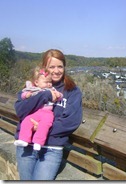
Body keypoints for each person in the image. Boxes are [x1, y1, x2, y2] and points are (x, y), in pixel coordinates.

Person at [14, 49, 83, 180]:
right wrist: (44, 95)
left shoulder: (72, 91)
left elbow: (71, 121)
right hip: (26, 146)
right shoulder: (33, 87)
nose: (56, 71)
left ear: (64, 67)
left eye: (60, 67)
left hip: (52, 148)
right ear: (45, 67)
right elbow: (20, 110)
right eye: (52, 67)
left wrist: (42, 128)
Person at [14, 67, 63, 151]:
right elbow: (23, 94)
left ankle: (38, 142)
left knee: (45, 125)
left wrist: (58, 95)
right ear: (36, 82)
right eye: (46, 82)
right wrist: (26, 95)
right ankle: (23, 139)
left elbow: (60, 96)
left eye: (50, 82)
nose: (49, 84)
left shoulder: (52, 89)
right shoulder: (33, 89)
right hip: (35, 112)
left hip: (47, 112)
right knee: (26, 121)